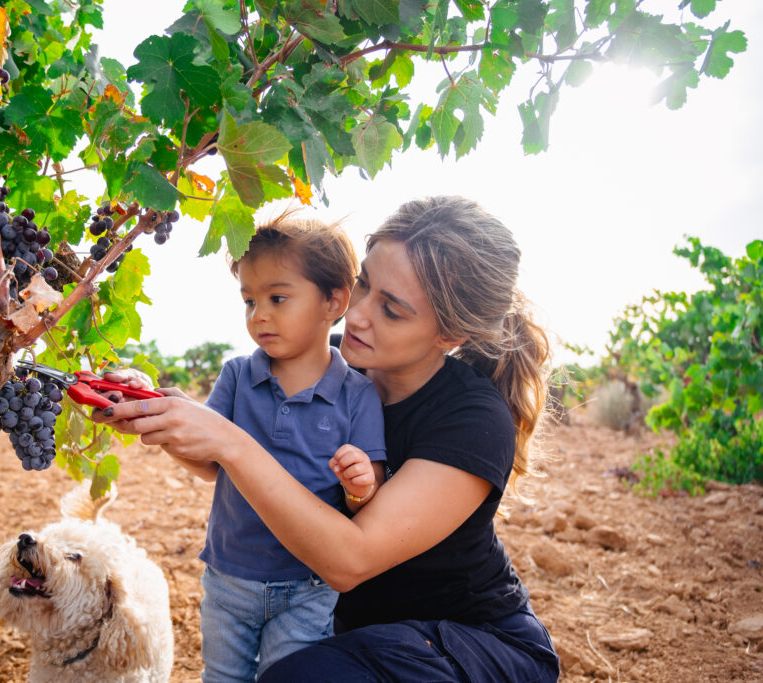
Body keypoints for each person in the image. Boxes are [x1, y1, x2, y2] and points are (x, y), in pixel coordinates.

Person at [96, 196, 560, 681]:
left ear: (450, 335)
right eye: (363, 284)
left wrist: (230, 442)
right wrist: (162, 413)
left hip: (465, 644)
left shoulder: (472, 419)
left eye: (392, 311)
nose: (357, 315)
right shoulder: (326, 365)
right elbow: (223, 450)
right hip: (351, 631)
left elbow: (348, 559)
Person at [159, 215, 388, 681]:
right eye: (249, 301)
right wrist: (162, 425)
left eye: (277, 298)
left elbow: (368, 493)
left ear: (334, 301)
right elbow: (208, 461)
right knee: (222, 676)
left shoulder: (358, 395)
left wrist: (361, 482)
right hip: (229, 579)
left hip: (308, 587)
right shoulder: (238, 377)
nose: (258, 314)